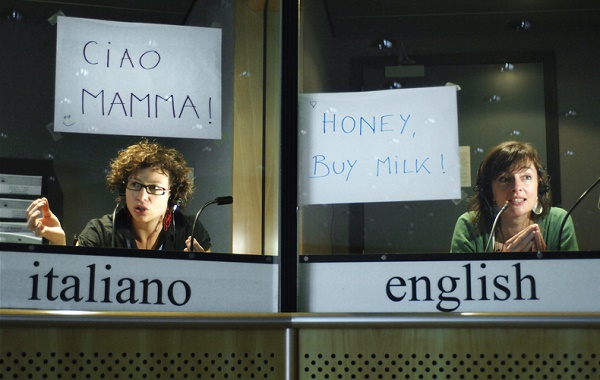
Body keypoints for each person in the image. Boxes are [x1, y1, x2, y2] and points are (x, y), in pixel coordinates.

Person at [26, 139, 211, 252]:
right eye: (135, 185)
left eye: (154, 188)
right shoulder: (100, 232)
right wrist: (58, 242)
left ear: (172, 194)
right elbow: (71, 283)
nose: (142, 196)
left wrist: (203, 269)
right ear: (124, 188)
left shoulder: (189, 232)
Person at [450, 140, 578, 253]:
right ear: (490, 190)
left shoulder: (559, 221)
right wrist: (506, 264)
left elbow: (572, 278)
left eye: (526, 177)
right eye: (505, 179)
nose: (517, 187)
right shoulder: (469, 226)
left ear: (539, 184)